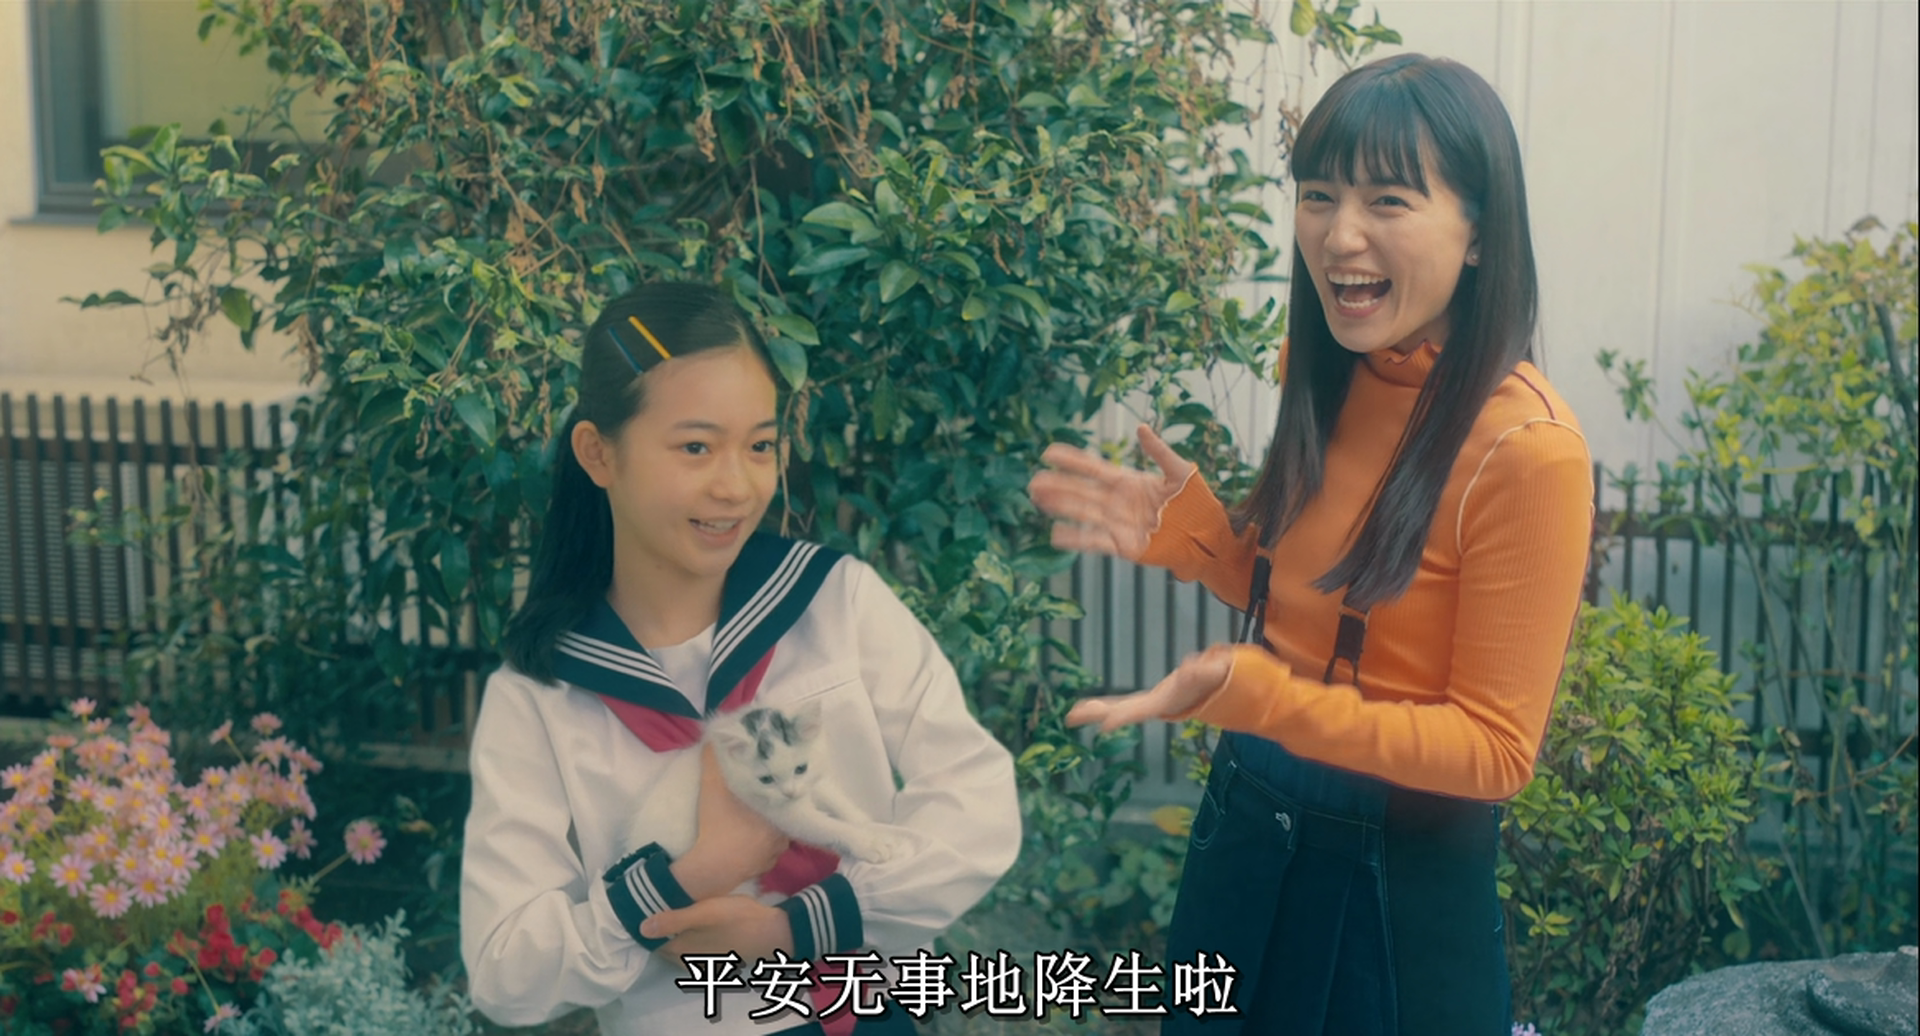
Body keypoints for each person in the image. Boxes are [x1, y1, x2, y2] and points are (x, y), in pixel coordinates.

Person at [1028, 54, 1592, 1035]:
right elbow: (1316, 597)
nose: (1339, 234)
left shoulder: (1528, 450)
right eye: (1320, 194)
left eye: (1388, 199)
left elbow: (1497, 752)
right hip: (1246, 817)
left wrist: (1276, 703)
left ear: (1479, 232)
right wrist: (1200, 541)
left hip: (1396, 880)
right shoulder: (1329, 366)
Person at [461, 282, 1021, 1035]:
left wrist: (802, 927)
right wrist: (683, 881)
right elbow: (505, 972)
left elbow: (978, 798)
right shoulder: (541, 692)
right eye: (696, 447)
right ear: (599, 453)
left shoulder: (833, 603)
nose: (736, 486)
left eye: (759, 446)